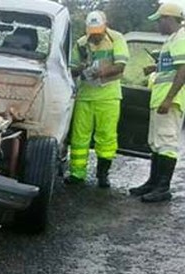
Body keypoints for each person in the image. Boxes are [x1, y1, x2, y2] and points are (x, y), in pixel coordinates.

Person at [66, 11, 130, 188]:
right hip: (85, 96)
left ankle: (103, 175)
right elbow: (70, 69)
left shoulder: (117, 38)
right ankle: (77, 174)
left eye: (98, 32)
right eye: (92, 32)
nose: (95, 36)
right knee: (79, 138)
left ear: (105, 26)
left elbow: (121, 66)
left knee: (106, 137)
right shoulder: (81, 43)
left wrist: (100, 72)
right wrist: (80, 68)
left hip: (108, 97)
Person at [130, 3, 185, 203]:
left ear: (168, 19)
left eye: (159, 21)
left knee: (166, 144)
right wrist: (154, 67)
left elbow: (183, 70)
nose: (157, 26)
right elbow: (172, 67)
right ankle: (153, 183)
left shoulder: (181, 38)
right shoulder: (171, 39)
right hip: (160, 99)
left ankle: (163, 188)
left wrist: (169, 99)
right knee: (156, 143)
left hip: (170, 101)